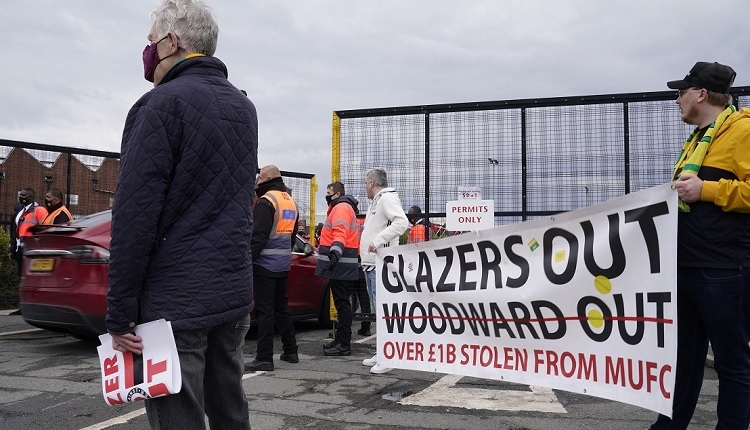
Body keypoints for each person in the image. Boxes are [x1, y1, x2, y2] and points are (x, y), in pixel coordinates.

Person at [105, 1, 257, 428]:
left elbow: (135, 219)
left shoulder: (158, 106)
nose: (147, 51)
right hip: (231, 291)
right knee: (230, 410)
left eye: (151, 41)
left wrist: (119, 313)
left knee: (178, 419)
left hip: (174, 301)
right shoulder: (244, 109)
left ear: (173, 42)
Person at [649, 62, 750, 429]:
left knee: (733, 364)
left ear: (702, 94)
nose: (677, 100)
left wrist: (706, 189)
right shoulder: (698, 140)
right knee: (684, 361)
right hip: (686, 266)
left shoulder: (744, 131)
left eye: (681, 92)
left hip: (724, 269)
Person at [245, 165, 299, 372]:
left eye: (259, 178)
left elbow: (258, 237)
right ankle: (290, 350)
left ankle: (264, 357)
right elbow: (292, 237)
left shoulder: (267, 201)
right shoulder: (289, 201)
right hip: (283, 263)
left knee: (265, 311)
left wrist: (248, 262)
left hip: (265, 264)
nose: (257, 181)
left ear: (267, 178)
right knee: (281, 307)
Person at [359, 168, 409, 374]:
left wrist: (378, 241)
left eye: (365, 184)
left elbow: (401, 222)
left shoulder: (386, 199)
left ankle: (389, 357)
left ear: (371, 183)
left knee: (385, 311)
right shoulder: (378, 200)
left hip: (380, 263)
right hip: (372, 263)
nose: (365, 188)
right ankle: (383, 352)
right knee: (380, 311)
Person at [315, 181, 360, 356]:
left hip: (339, 263)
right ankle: (341, 339)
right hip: (342, 262)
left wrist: (335, 252)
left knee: (342, 304)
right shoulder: (343, 207)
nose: (326, 195)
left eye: (328, 192)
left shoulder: (340, 207)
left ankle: (343, 343)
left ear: (337, 194)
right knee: (343, 303)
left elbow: (340, 232)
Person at [7, 189, 47, 278]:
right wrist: (11, 249)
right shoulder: (19, 212)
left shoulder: (39, 210)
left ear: (31, 197)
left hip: (32, 249)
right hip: (20, 249)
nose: (20, 197)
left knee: (32, 277)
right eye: (20, 195)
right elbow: (14, 232)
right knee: (22, 277)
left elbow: (45, 229)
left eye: (23, 195)